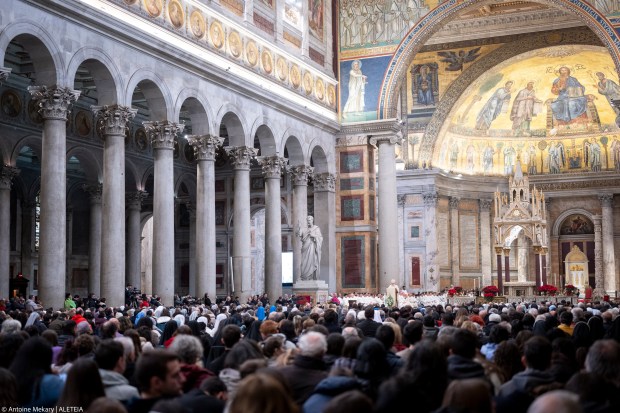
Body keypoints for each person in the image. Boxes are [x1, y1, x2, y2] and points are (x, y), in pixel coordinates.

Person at [296, 215, 323, 281]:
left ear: (312, 220)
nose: (308, 222)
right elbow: (298, 235)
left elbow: (320, 238)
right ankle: (304, 277)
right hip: (305, 248)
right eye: (307, 220)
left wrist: (314, 236)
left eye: (309, 220)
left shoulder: (316, 228)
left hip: (312, 248)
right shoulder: (304, 229)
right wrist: (298, 228)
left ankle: (311, 277)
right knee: (304, 262)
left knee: (312, 262)